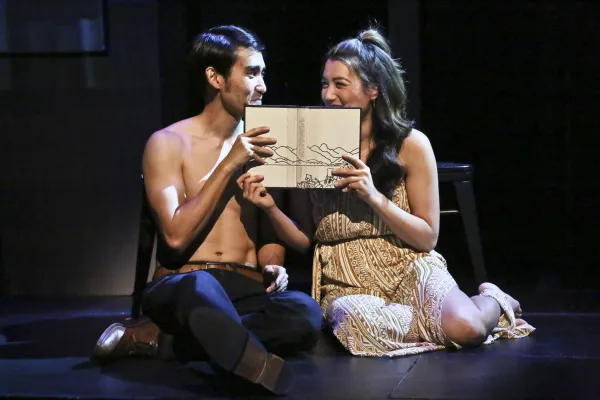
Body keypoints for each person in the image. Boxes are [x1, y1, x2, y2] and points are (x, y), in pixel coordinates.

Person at [238, 27, 535, 357]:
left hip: (409, 265)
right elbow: (304, 241)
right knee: (357, 326)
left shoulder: (410, 145)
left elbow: (427, 237)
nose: (329, 95)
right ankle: (434, 323)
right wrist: (270, 208)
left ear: (373, 89)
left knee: (468, 329)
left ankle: (492, 300)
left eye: (340, 84)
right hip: (346, 279)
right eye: (325, 83)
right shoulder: (310, 146)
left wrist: (373, 196)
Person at [92, 25, 322, 394]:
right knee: (201, 286)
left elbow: (268, 231)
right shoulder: (168, 142)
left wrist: (272, 263)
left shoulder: (269, 144)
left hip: (244, 289)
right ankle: (256, 367)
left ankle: (165, 341)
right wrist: (230, 163)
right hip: (182, 284)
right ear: (215, 78)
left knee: (304, 314)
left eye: (263, 73)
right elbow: (175, 238)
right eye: (252, 73)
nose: (263, 86)